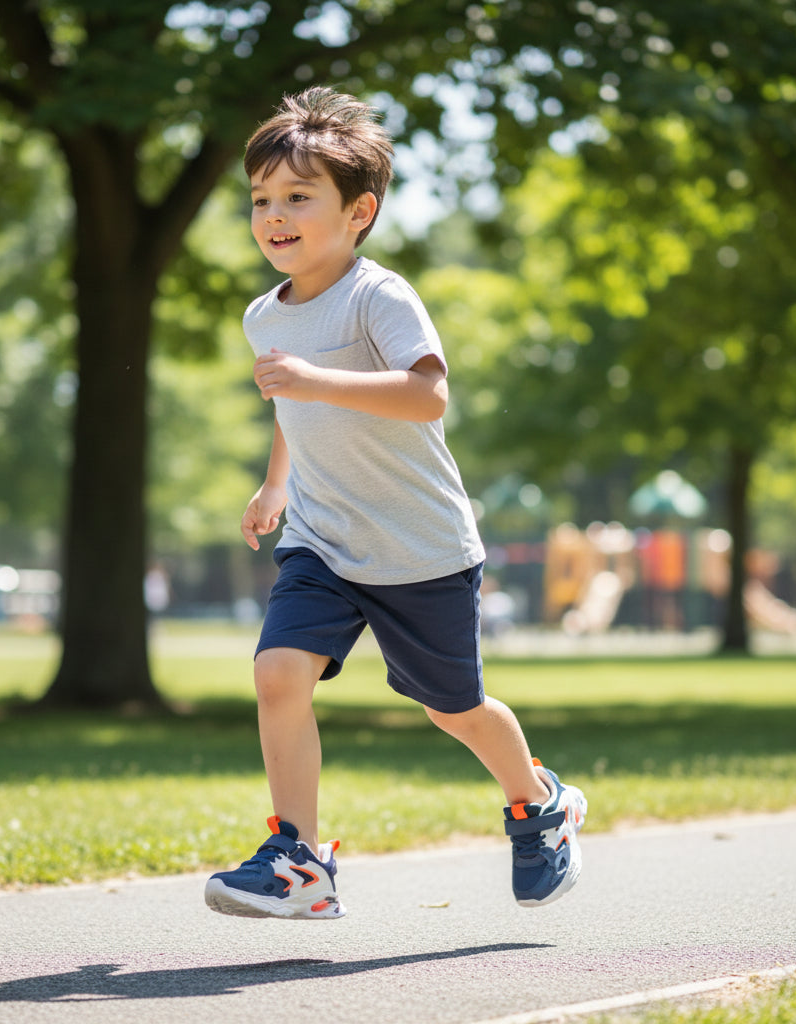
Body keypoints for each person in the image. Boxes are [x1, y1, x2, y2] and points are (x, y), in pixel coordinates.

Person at [204, 86, 587, 920]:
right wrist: (276, 484)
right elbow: (291, 407)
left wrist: (313, 379)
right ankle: (299, 860)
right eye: (262, 199)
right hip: (323, 539)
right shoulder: (261, 314)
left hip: (421, 547)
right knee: (276, 673)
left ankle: (539, 806)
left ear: (359, 211)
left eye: (299, 197)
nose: (275, 215)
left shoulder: (381, 296)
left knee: (454, 709)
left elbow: (426, 396)